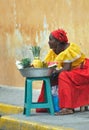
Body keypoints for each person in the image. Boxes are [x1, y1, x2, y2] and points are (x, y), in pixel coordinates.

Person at [36, 29, 89, 115]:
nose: (48, 42)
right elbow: (48, 64)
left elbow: (66, 68)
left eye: (50, 39)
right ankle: (46, 104)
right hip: (74, 71)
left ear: (58, 41)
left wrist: (56, 72)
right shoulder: (53, 51)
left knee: (63, 75)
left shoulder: (69, 49)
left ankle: (67, 108)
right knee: (50, 76)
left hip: (83, 70)